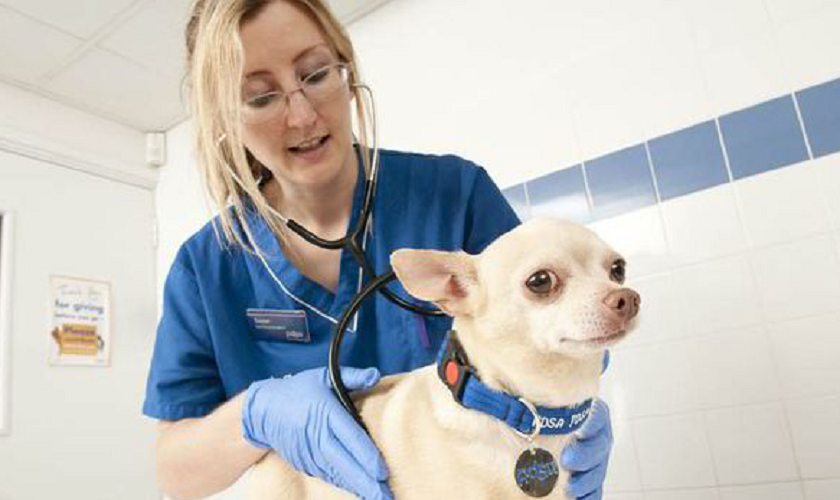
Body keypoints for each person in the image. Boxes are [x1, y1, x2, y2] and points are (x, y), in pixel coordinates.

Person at [142, 0, 614, 499]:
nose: (302, 115)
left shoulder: (455, 196)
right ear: (225, 120)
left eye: (317, 73)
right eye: (260, 98)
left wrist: (572, 417)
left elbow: (562, 330)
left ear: (346, 71)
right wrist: (255, 414)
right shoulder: (205, 266)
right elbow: (177, 474)